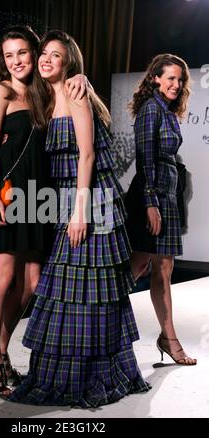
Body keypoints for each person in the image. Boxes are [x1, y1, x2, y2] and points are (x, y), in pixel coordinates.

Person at [9, 30, 150, 407]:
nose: (46, 59)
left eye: (56, 55)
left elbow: (86, 156)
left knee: (91, 289)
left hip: (89, 202)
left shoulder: (75, 94)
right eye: (44, 54)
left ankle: (93, 374)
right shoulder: (45, 98)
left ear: (69, 61)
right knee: (67, 289)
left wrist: (79, 212)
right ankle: (60, 372)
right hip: (65, 203)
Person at [0, 25, 87, 399]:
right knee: (2, 276)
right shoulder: (0, 93)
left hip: (38, 197)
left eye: (22, 52)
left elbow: (68, 82)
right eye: (9, 55)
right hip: (7, 198)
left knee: (31, 283)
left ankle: (2, 350)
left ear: (33, 52)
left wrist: (82, 78)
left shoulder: (42, 93)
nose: (16, 61)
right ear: (2, 60)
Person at [125, 54, 197, 365]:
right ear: (155, 78)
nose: (176, 84)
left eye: (180, 80)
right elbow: (145, 160)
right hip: (149, 198)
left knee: (163, 270)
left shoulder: (167, 111)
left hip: (166, 198)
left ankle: (169, 338)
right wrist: (151, 204)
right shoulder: (149, 109)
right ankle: (99, 321)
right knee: (137, 267)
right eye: (170, 78)